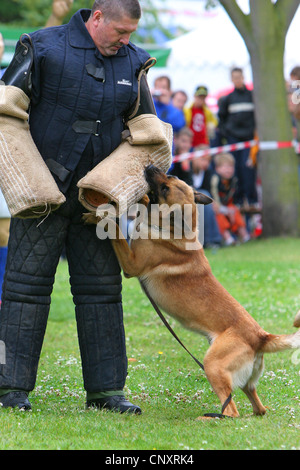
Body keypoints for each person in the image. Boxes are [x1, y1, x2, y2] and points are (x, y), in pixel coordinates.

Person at [0, 0, 151, 413]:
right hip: (41, 197)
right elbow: (4, 111)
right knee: (22, 291)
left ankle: (106, 393)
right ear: (97, 17)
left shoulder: (134, 61)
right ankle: (9, 389)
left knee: (103, 292)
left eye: (131, 35)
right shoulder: (42, 47)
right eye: (120, 32)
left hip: (97, 202)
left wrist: (120, 187)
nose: (125, 41)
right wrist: (28, 182)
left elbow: (147, 131)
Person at [218, 68, 257, 207]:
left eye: (239, 77)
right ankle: (238, 200)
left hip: (249, 139)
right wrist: (227, 133)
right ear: (231, 79)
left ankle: (252, 200)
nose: (237, 80)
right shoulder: (228, 99)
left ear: (243, 77)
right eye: (234, 77)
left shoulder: (252, 96)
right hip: (233, 139)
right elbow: (221, 118)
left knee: (248, 169)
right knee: (235, 169)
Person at [210, 153, 250, 246]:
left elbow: (235, 198)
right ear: (217, 168)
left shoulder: (234, 180)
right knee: (219, 215)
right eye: (225, 167)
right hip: (217, 207)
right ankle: (228, 238)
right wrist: (224, 210)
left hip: (228, 206)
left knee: (235, 210)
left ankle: (244, 236)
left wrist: (233, 208)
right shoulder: (215, 179)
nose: (228, 170)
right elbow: (214, 197)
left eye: (231, 167)